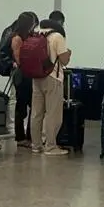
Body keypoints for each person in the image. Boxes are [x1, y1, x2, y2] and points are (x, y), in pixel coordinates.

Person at [29, 18, 72, 156]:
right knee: (53, 114)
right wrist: (68, 53)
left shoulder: (36, 34)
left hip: (36, 78)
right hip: (53, 78)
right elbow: (64, 61)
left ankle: (36, 145)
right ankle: (50, 146)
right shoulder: (57, 37)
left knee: (36, 113)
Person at [8, 11, 39, 147]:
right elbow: (19, 59)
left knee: (33, 105)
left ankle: (30, 136)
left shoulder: (28, 37)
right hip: (22, 75)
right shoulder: (17, 39)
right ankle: (20, 137)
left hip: (29, 74)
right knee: (21, 106)